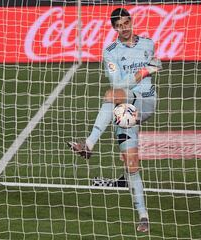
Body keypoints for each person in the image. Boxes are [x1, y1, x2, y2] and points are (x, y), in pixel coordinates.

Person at [67, 7, 161, 233]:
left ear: (131, 21)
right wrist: (143, 73)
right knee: (131, 165)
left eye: (126, 23)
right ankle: (143, 216)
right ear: (114, 28)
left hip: (146, 103)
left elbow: (154, 66)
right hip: (124, 109)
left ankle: (88, 144)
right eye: (119, 26)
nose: (124, 28)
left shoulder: (148, 44)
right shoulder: (110, 51)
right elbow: (119, 83)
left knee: (111, 96)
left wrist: (147, 71)